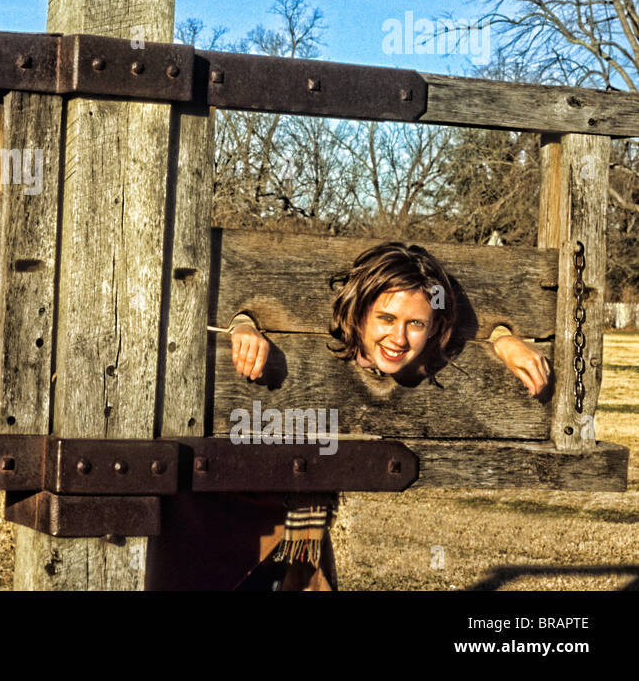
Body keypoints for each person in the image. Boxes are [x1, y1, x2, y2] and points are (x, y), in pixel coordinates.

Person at [216, 241, 548, 590]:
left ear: (434, 326)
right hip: (231, 509)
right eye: (386, 318)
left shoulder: (434, 356)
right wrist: (241, 325)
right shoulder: (323, 342)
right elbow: (237, 307)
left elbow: (468, 317)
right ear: (359, 314)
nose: (399, 338)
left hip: (299, 526)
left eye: (416, 323)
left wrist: (502, 338)